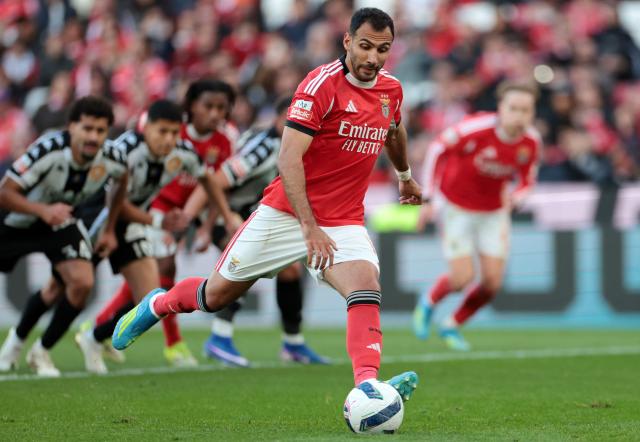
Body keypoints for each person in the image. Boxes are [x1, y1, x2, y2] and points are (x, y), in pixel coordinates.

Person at [113, 8, 421, 402]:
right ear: (347, 42)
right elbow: (288, 159)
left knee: (365, 287)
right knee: (215, 296)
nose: (373, 58)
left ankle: (367, 385)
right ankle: (159, 303)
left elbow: (394, 129)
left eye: (383, 49)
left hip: (343, 220)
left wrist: (405, 175)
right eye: (364, 46)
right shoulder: (319, 86)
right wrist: (309, 228)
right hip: (286, 214)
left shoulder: (391, 90)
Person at [69, 98, 241, 374]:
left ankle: (95, 333)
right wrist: (157, 220)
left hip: (152, 217)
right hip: (120, 214)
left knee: (150, 291)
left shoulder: (211, 143)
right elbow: (116, 195)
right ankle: (169, 343)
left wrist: (219, 217)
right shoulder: (131, 148)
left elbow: (209, 180)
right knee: (78, 283)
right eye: (163, 132)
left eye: (222, 108)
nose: (169, 138)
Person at [186, 96, 329, 366]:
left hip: (245, 213)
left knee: (290, 271)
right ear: (279, 119)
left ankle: (293, 343)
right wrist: (211, 222)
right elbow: (217, 180)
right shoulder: (263, 148)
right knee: (243, 265)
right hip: (222, 212)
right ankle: (219, 337)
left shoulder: (298, 145)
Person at [0, 96, 128, 377]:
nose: (93, 137)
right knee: (54, 289)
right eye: (87, 128)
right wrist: (42, 210)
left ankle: (40, 352)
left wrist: (108, 229)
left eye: (100, 130)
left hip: (59, 220)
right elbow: (4, 192)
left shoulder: (113, 157)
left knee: (82, 283)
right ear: (71, 127)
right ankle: (14, 344)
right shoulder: (47, 150)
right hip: (15, 220)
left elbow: (121, 183)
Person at [413, 81, 541, 351]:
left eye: (525, 110)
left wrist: (518, 197)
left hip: (493, 212)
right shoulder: (475, 129)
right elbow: (437, 149)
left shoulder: (530, 142)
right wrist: (429, 198)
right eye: (514, 108)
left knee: (492, 283)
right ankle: (428, 302)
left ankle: (452, 324)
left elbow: (527, 181)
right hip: (456, 207)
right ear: (500, 109)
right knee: (461, 278)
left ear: (532, 113)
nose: (519, 115)